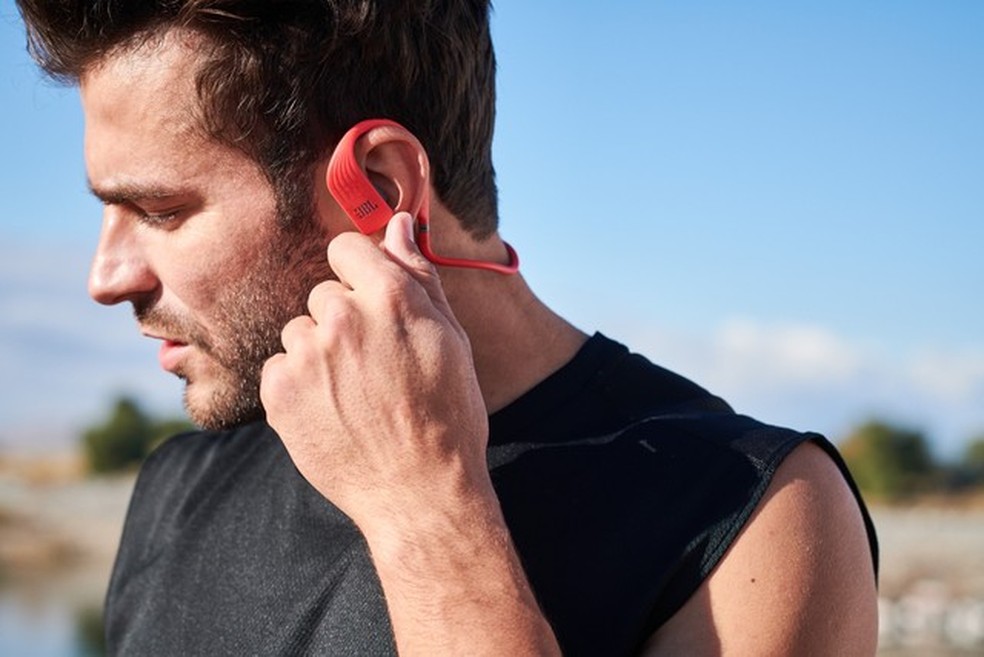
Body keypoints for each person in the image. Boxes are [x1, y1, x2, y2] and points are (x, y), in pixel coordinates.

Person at [16, 1, 878, 655]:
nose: (106, 278)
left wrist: (423, 513)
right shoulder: (177, 489)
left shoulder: (757, 519)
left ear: (381, 190)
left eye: (161, 210)